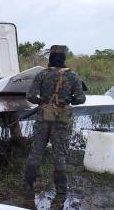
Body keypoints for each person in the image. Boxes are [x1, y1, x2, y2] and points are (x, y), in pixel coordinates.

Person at [24, 45, 86, 194]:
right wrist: (68, 100)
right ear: (64, 58)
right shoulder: (73, 76)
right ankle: (61, 190)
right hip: (61, 120)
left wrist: (42, 103)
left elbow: (30, 96)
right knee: (60, 154)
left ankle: (28, 185)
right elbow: (80, 99)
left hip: (42, 117)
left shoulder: (42, 74)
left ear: (50, 57)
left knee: (36, 152)